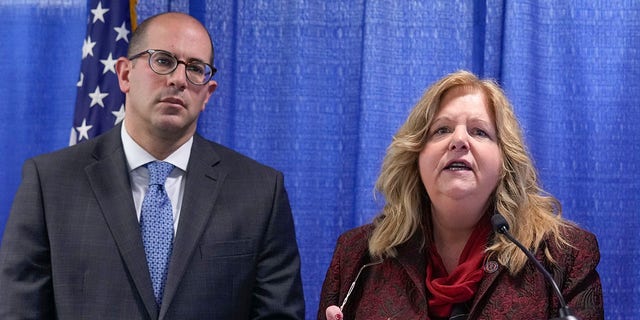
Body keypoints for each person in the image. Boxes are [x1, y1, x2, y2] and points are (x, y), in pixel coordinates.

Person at [0, 12, 304, 319]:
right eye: (162, 60)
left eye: (196, 69)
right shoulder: (50, 182)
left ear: (208, 93)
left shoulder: (260, 192)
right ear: (124, 74)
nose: (178, 79)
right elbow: (19, 311)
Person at [318, 70, 603, 320]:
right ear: (416, 155)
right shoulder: (356, 256)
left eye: (479, 132)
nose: (459, 141)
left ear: (505, 161)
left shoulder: (563, 258)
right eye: (441, 130)